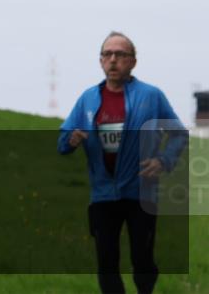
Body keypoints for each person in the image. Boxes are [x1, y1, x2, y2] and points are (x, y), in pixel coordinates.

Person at [58, 31, 188, 294]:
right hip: (103, 194)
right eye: (107, 54)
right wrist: (70, 140)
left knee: (142, 260)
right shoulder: (88, 99)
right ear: (100, 61)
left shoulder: (151, 96)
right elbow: (63, 140)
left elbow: (179, 133)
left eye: (120, 54)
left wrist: (164, 161)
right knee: (106, 263)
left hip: (141, 193)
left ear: (133, 62)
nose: (113, 60)